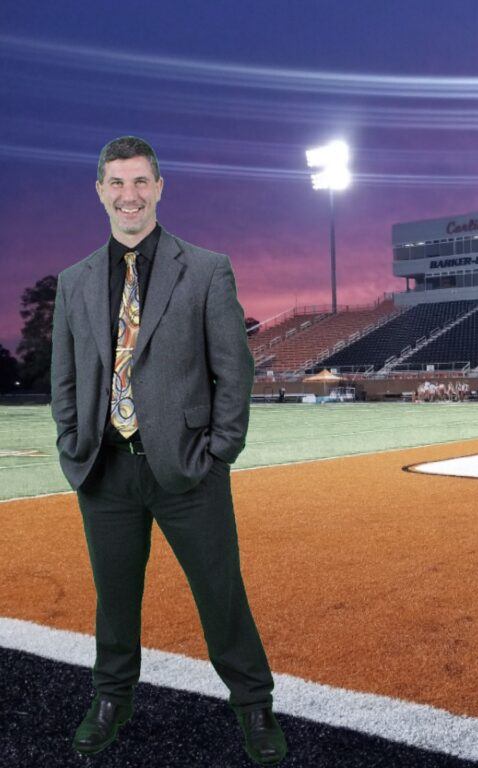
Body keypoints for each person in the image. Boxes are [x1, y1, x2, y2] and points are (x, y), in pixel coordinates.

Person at [50, 136, 287, 765]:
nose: (129, 195)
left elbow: (234, 372)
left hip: (187, 471)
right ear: (100, 190)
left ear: (159, 188)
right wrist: (74, 446)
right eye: (117, 183)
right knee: (115, 597)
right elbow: (65, 378)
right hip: (105, 470)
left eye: (140, 182)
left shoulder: (205, 268)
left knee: (219, 591)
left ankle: (253, 703)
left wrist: (220, 453)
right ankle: (110, 698)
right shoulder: (74, 282)